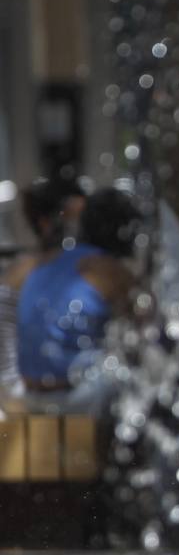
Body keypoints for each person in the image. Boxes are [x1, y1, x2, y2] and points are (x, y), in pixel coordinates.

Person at [17, 187, 140, 415]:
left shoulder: (50, 261)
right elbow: (143, 329)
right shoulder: (110, 270)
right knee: (138, 371)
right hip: (73, 398)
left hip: (28, 392)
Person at [1, 178, 86, 404]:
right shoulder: (20, 277)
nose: (83, 229)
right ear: (46, 223)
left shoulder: (94, 269)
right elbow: (5, 365)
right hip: (31, 406)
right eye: (74, 219)